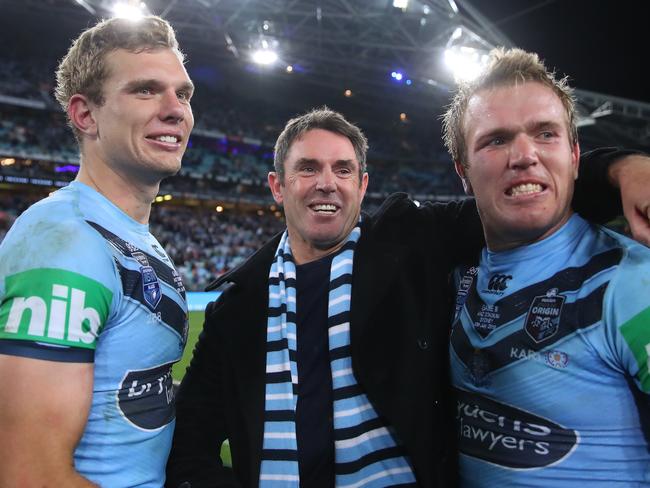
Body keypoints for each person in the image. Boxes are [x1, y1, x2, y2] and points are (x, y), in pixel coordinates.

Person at [166, 106, 650, 487]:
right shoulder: (237, 306)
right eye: (307, 168)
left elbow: (516, 192)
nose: (326, 183)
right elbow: (189, 441)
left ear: (363, 184)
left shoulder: (411, 246)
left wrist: (620, 169)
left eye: (343, 168)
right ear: (277, 185)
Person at [0, 16, 194, 487]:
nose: (176, 111)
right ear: (85, 115)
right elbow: (31, 474)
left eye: (183, 94)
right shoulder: (65, 242)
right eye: (146, 90)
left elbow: (127, 387)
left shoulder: (126, 233)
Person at [443, 48, 650, 486]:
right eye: (495, 140)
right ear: (462, 171)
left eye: (545, 134)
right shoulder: (448, 271)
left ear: (576, 156)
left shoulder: (632, 282)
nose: (523, 155)